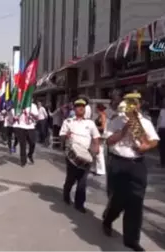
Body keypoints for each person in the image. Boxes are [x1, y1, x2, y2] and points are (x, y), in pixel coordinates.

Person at [102, 92, 159, 252]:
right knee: (118, 199)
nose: (132, 106)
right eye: (129, 102)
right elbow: (109, 141)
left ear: (139, 104)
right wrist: (124, 129)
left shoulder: (145, 122)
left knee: (136, 202)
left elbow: (154, 140)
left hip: (137, 164)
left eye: (135, 102)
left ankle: (131, 240)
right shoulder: (115, 120)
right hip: (119, 162)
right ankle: (108, 219)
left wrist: (146, 146)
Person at [59, 98, 100, 213]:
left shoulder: (90, 123)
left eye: (83, 106)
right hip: (72, 154)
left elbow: (96, 137)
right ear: (74, 108)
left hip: (86, 154)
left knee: (82, 182)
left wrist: (96, 147)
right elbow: (61, 136)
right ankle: (66, 193)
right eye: (78, 106)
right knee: (71, 179)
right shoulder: (68, 122)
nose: (81, 108)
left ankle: (79, 204)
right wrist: (65, 136)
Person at [93, 103, 107, 176]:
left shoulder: (102, 115)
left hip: (101, 135)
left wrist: (94, 127)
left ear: (98, 108)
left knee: (99, 152)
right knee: (98, 153)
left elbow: (103, 127)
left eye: (96, 108)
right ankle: (98, 169)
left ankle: (101, 170)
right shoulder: (100, 115)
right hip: (99, 135)